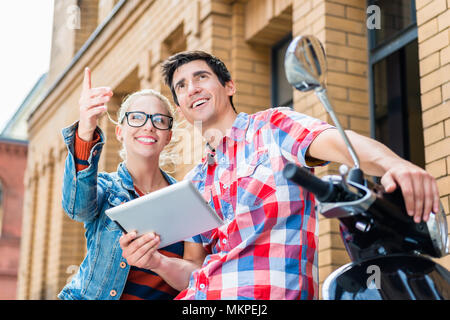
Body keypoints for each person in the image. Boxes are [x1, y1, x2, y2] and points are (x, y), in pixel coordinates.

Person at [119, 51, 440, 300]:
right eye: (182, 86)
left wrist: (394, 164)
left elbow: (343, 145)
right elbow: (194, 268)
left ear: (229, 86)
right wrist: (156, 263)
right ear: (181, 106)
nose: (192, 88)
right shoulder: (195, 182)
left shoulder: (273, 127)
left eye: (201, 77)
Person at [58, 67, 199, 300]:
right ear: (120, 132)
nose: (148, 126)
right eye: (136, 117)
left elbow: (196, 275)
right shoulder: (105, 188)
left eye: (159, 120)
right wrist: (85, 129)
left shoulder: (186, 200)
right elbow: (77, 208)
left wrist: (159, 263)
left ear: (169, 136)